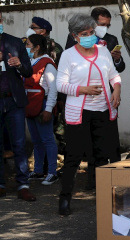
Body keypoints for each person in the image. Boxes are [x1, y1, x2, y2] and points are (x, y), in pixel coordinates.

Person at [56, 13, 121, 215]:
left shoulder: (103, 51)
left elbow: (113, 75)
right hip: (80, 112)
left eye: (91, 32)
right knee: (74, 156)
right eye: (84, 33)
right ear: (75, 36)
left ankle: (103, 198)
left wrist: (116, 89)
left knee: (103, 155)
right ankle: (65, 199)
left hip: (103, 110)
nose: (89, 36)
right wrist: (83, 90)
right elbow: (60, 85)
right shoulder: (68, 55)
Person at [65, 7, 126, 190]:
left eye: (107, 25)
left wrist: (116, 60)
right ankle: (92, 181)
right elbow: (70, 63)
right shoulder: (75, 39)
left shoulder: (111, 40)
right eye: (100, 24)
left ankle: (114, 182)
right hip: (82, 102)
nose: (103, 29)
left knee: (110, 143)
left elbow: (117, 70)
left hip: (106, 99)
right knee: (88, 145)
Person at [0, 12, 36, 201]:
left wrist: (19, 64)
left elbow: (29, 71)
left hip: (14, 101)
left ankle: (23, 184)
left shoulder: (15, 42)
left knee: (19, 144)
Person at [24, 34, 59, 186]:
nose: (26, 47)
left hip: (43, 104)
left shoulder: (47, 63)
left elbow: (53, 89)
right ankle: (38, 170)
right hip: (30, 105)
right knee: (36, 140)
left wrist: (49, 109)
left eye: (28, 44)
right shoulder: (29, 62)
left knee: (47, 139)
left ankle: (52, 172)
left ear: (37, 47)